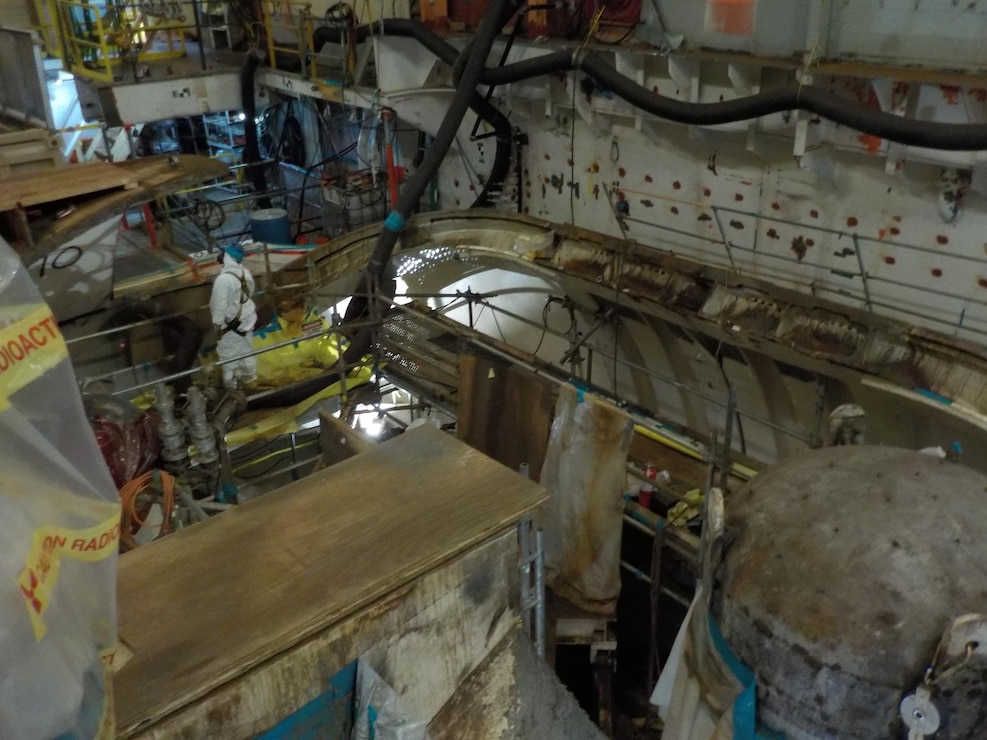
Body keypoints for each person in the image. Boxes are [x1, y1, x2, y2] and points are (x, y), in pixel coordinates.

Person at [210, 243, 258, 388]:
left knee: (228, 359)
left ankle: (232, 391)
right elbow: (250, 292)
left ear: (227, 257)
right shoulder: (244, 272)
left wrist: (217, 325)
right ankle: (251, 383)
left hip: (230, 325)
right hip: (246, 320)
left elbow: (219, 305)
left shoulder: (223, 280)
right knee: (247, 352)